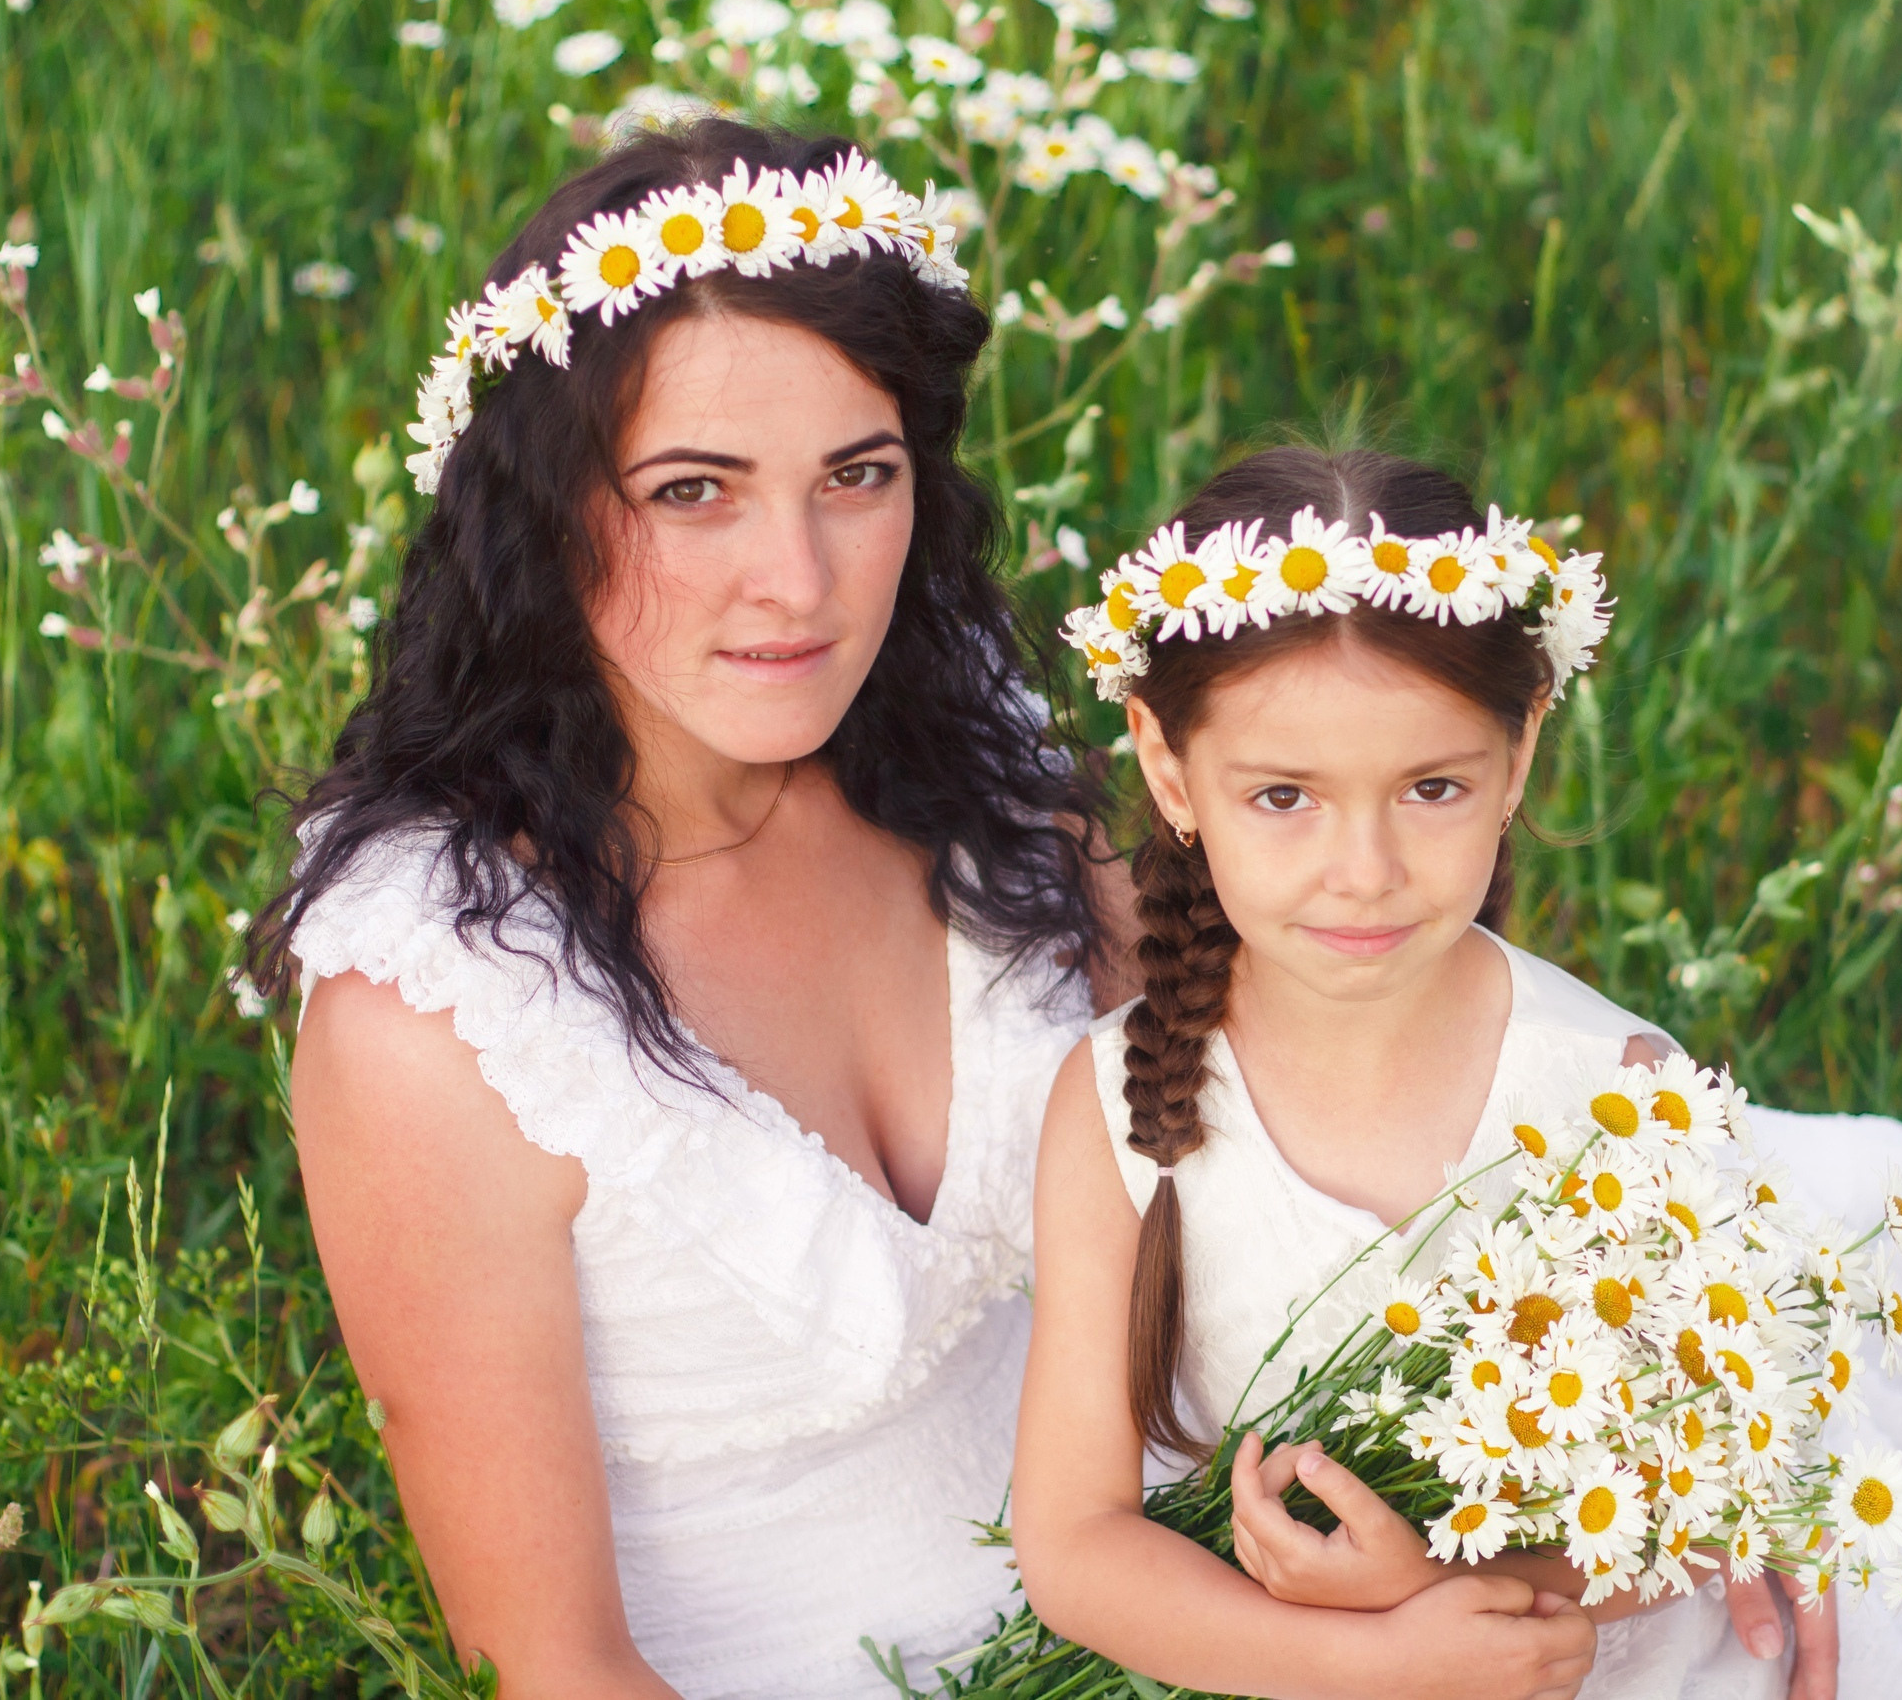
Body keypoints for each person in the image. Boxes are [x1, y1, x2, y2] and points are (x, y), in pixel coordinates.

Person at [248, 124, 1694, 1700]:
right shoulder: (438, 1009)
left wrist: (1665, 1494)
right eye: (693, 491)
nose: (797, 582)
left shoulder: (976, 790)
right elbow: (548, 1667)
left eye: (854, 478)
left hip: (1221, 1576)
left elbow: (1356, 1081)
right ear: (540, 512)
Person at [1012, 446, 1902, 1700]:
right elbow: (1075, 1541)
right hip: (1274, 1654)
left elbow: (1700, 1493)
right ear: (1170, 768)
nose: (1365, 868)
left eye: (1431, 788)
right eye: (1285, 798)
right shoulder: (1120, 1112)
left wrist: (1481, 1609)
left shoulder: (1611, 1090)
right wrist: (1364, 1657)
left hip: (1587, 1660)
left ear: (1519, 760)